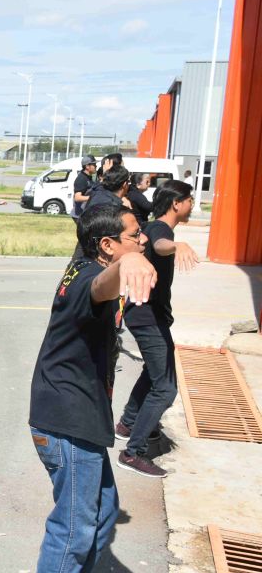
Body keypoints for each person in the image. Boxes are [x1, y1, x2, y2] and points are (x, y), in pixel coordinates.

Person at [28, 203, 157, 571]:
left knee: (102, 514)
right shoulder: (89, 278)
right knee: (73, 530)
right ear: (107, 245)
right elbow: (101, 287)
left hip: (78, 416)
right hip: (67, 421)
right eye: (134, 236)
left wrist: (129, 260)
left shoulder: (87, 265)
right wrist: (125, 265)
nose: (142, 239)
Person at [115, 181, 199, 478]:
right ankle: (132, 453)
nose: (192, 204)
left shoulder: (153, 227)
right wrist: (177, 245)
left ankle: (127, 423)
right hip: (147, 317)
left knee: (154, 373)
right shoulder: (162, 231)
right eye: (190, 199)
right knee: (165, 388)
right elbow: (162, 246)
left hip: (147, 315)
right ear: (177, 203)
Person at [71, 155, 97, 221]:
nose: (96, 166)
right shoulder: (81, 179)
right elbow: (77, 198)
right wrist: (93, 198)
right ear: (87, 166)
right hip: (80, 216)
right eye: (94, 164)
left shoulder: (89, 177)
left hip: (86, 214)